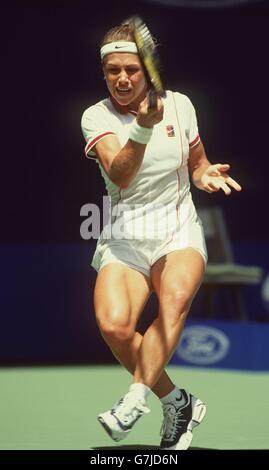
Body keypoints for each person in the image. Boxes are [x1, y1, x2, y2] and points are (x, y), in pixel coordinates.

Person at [81, 20, 241, 450]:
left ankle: (134, 400)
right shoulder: (96, 116)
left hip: (177, 229)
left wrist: (205, 174)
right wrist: (143, 128)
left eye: (131, 70)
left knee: (173, 303)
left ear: (147, 71)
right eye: (112, 70)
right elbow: (122, 175)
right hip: (124, 234)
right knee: (114, 326)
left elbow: (197, 162)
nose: (121, 78)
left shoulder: (181, 106)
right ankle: (177, 401)